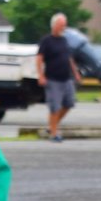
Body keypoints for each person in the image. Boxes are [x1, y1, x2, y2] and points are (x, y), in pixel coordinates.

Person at [36, 12, 78, 142]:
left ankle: (51, 126)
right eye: (61, 25)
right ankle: (54, 134)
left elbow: (69, 58)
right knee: (55, 107)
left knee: (69, 103)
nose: (63, 28)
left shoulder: (64, 40)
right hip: (53, 79)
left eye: (64, 25)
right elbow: (39, 59)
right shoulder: (46, 41)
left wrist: (75, 72)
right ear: (54, 26)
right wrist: (41, 75)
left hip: (66, 78)